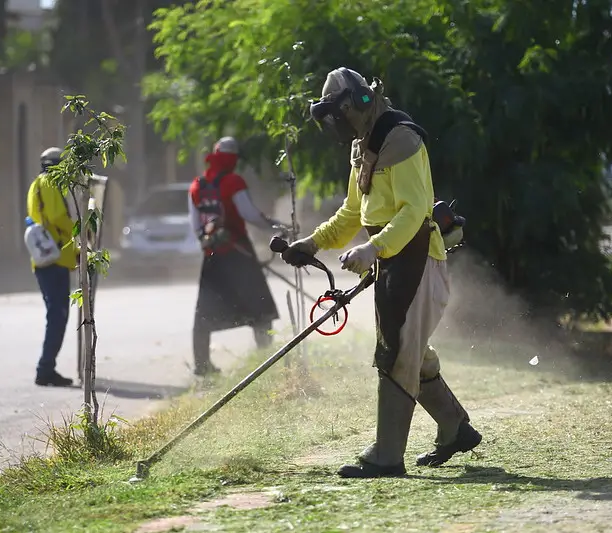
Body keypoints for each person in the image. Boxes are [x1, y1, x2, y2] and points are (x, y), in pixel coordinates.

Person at [281, 67, 481, 478]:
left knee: (396, 356)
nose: (335, 125)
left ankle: (387, 457)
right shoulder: (364, 147)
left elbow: (414, 211)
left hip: (419, 259)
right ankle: (454, 427)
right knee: (408, 350)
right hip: (395, 262)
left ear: (356, 104)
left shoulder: (402, 139)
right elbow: (354, 212)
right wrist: (312, 243)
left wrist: (373, 248)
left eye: (337, 115)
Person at [188, 136, 282, 376]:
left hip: (212, 256)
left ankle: (202, 365)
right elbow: (250, 215)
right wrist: (277, 227)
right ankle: (265, 361)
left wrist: (206, 241)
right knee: (260, 307)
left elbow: (195, 224)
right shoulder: (233, 181)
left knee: (205, 311)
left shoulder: (197, 185)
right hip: (239, 254)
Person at [26, 147, 78, 387]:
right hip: (55, 259)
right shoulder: (50, 183)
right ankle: (45, 369)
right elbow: (58, 218)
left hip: (47, 257)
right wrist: (80, 233)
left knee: (55, 315)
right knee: (57, 316)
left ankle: (47, 367)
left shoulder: (37, 183)